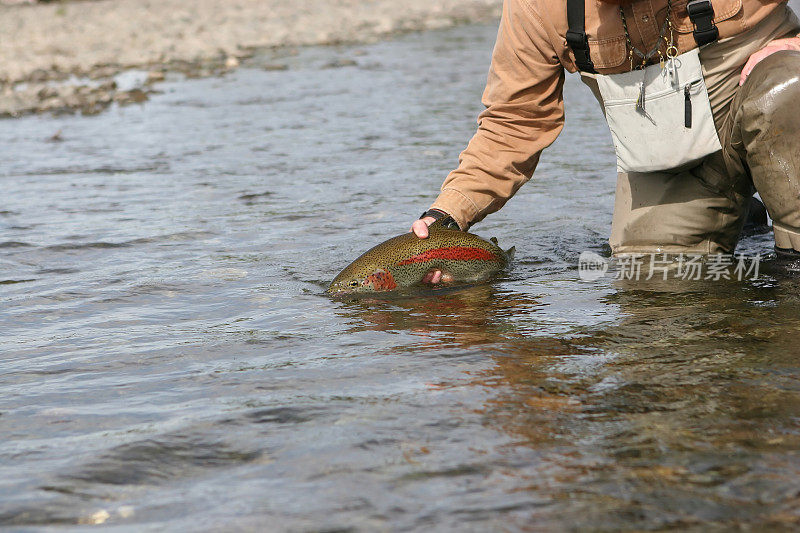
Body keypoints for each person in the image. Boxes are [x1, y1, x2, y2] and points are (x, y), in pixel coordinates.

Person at [411, 0, 800, 284]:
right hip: (675, 159)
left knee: (786, 91)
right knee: (656, 295)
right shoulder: (536, 6)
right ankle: (741, 214)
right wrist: (448, 216)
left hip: (779, 93)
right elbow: (515, 120)